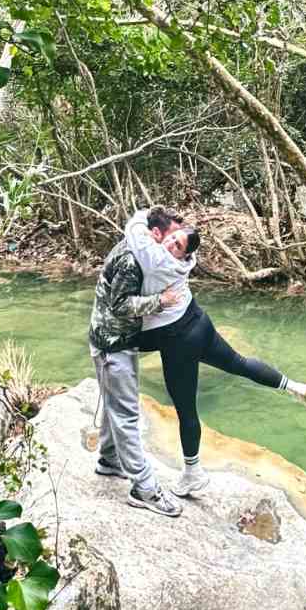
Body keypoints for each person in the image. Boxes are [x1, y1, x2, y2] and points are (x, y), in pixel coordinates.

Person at [125, 208, 306, 498]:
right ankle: (294, 386)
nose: (170, 244)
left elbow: (133, 231)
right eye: (171, 238)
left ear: (180, 255)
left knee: (185, 408)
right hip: (197, 321)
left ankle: (193, 474)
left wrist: (146, 214)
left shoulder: (160, 261)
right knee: (238, 363)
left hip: (179, 338)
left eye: (177, 244)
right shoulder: (188, 260)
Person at [87, 205, 188, 518]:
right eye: (172, 240)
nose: (174, 248)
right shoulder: (133, 259)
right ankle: (143, 488)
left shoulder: (143, 249)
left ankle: (109, 460)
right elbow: (119, 305)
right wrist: (161, 301)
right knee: (127, 414)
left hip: (116, 340)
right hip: (112, 344)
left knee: (115, 406)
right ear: (155, 234)